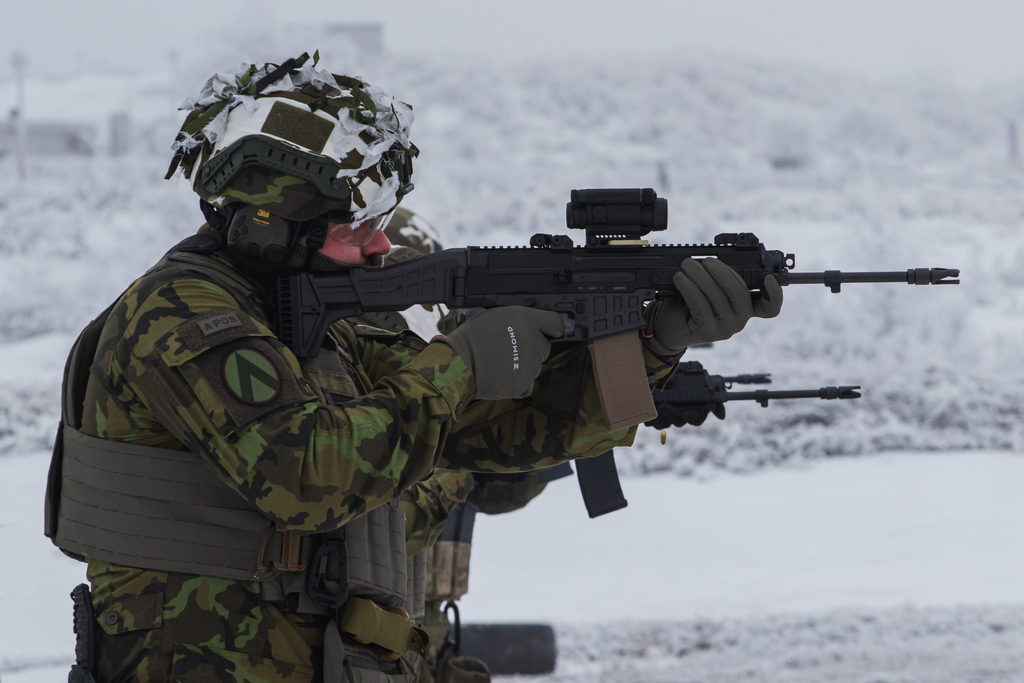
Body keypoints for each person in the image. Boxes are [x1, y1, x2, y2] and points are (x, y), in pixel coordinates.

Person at [44, 52, 782, 683]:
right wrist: (459, 360)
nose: (378, 248)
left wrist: (652, 346)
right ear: (268, 222)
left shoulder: (311, 321)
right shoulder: (178, 313)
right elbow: (311, 476)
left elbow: (490, 438)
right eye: (354, 225)